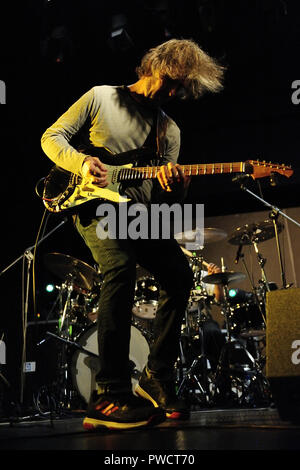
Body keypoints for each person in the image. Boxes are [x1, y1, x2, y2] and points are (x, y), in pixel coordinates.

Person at [41, 39, 225, 430]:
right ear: (152, 66)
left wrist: (178, 189)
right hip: (94, 205)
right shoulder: (100, 97)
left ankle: (156, 376)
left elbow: (158, 196)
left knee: (179, 274)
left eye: (181, 89)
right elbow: (51, 138)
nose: (173, 93)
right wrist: (81, 160)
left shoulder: (169, 130)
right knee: (120, 268)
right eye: (171, 82)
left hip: (138, 214)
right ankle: (110, 393)